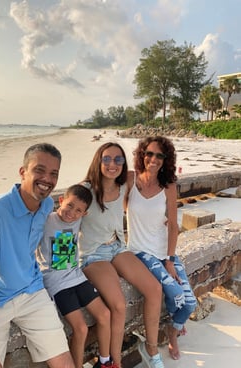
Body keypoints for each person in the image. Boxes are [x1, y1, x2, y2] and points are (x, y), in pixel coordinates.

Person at [0, 143, 75, 368]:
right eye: (39, 170)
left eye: (54, 174)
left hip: (31, 291)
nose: (47, 179)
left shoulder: (45, 205)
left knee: (65, 362)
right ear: (23, 172)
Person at [78, 142, 164, 368]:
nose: (112, 164)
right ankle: (112, 362)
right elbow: (65, 220)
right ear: (98, 161)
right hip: (93, 254)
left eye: (118, 159)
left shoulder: (125, 183)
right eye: (106, 159)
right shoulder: (85, 190)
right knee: (118, 305)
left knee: (155, 289)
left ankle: (152, 350)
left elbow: (151, 168)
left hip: (117, 246)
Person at [126, 136, 197, 360]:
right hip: (139, 252)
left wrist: (169, 259)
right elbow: (105, 193)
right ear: (141, 155)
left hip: (163, 252)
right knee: (177, 297)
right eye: (149, 153)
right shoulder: (130, 178)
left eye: (159, 155)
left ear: (166, 160)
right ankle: (165, 337)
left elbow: (174, 225)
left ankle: (172, 331)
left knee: (190, 304)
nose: (153, 159)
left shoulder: (169, 186)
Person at [36, 184, 113, 368]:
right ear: (61, 200)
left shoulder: (78, 220)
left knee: (105, 314)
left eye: (78, 210)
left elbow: (94, 185)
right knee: (80, 328)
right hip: (56, 283)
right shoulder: (46, 221)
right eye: (69, 205)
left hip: (77, 276)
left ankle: (104, 362)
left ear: (84, 214)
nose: (72, 213)